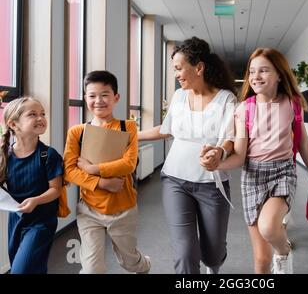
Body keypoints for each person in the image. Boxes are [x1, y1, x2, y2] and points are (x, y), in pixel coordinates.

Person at [201, 48, 308, 274]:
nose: (256, 76)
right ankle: (279, 251)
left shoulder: (293, 103)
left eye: (264, 70)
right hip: (253, 177)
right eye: (252, 71)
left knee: (269, 227)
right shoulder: (244, 109)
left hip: (282, 173)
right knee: (261, 261)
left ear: (279, 74)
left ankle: (284, 250)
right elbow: (239, 155)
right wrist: (217, 164)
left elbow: (304, 144)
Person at [138, 37, 237, 274]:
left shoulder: (226, 99)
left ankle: (213, 266)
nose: (176, 74)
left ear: (199, 67)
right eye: (175, 69)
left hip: (211, 184)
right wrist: (131, 136)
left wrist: (218, 151)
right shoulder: (179, 97)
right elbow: (166, 130)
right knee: (184, 252)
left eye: (179, 68)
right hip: (175, 180)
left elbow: (231, 140)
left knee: (213, 253)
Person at [63, 70, 151, 274]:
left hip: (123, 209)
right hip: (89, 210)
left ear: (116, 97)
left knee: (130, 262)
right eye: (92, 95)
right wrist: (102, 183)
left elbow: (129, 164)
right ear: (85, 98)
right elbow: (69, 170)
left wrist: (93, 169)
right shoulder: (77, 132)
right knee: (92, 269)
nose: (98, 101)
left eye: (104, 94)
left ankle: (143, 264)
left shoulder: (127, 127)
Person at [0, 97, 63, 274]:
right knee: (33, 268)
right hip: (17, 220)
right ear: (14, 124)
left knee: (20, 270)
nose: (41, 118)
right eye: (32, 114)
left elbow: (55, 190)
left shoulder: (48, 155)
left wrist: (35, 200)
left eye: (42, 113)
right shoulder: (5, 155)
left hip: (42, 221)